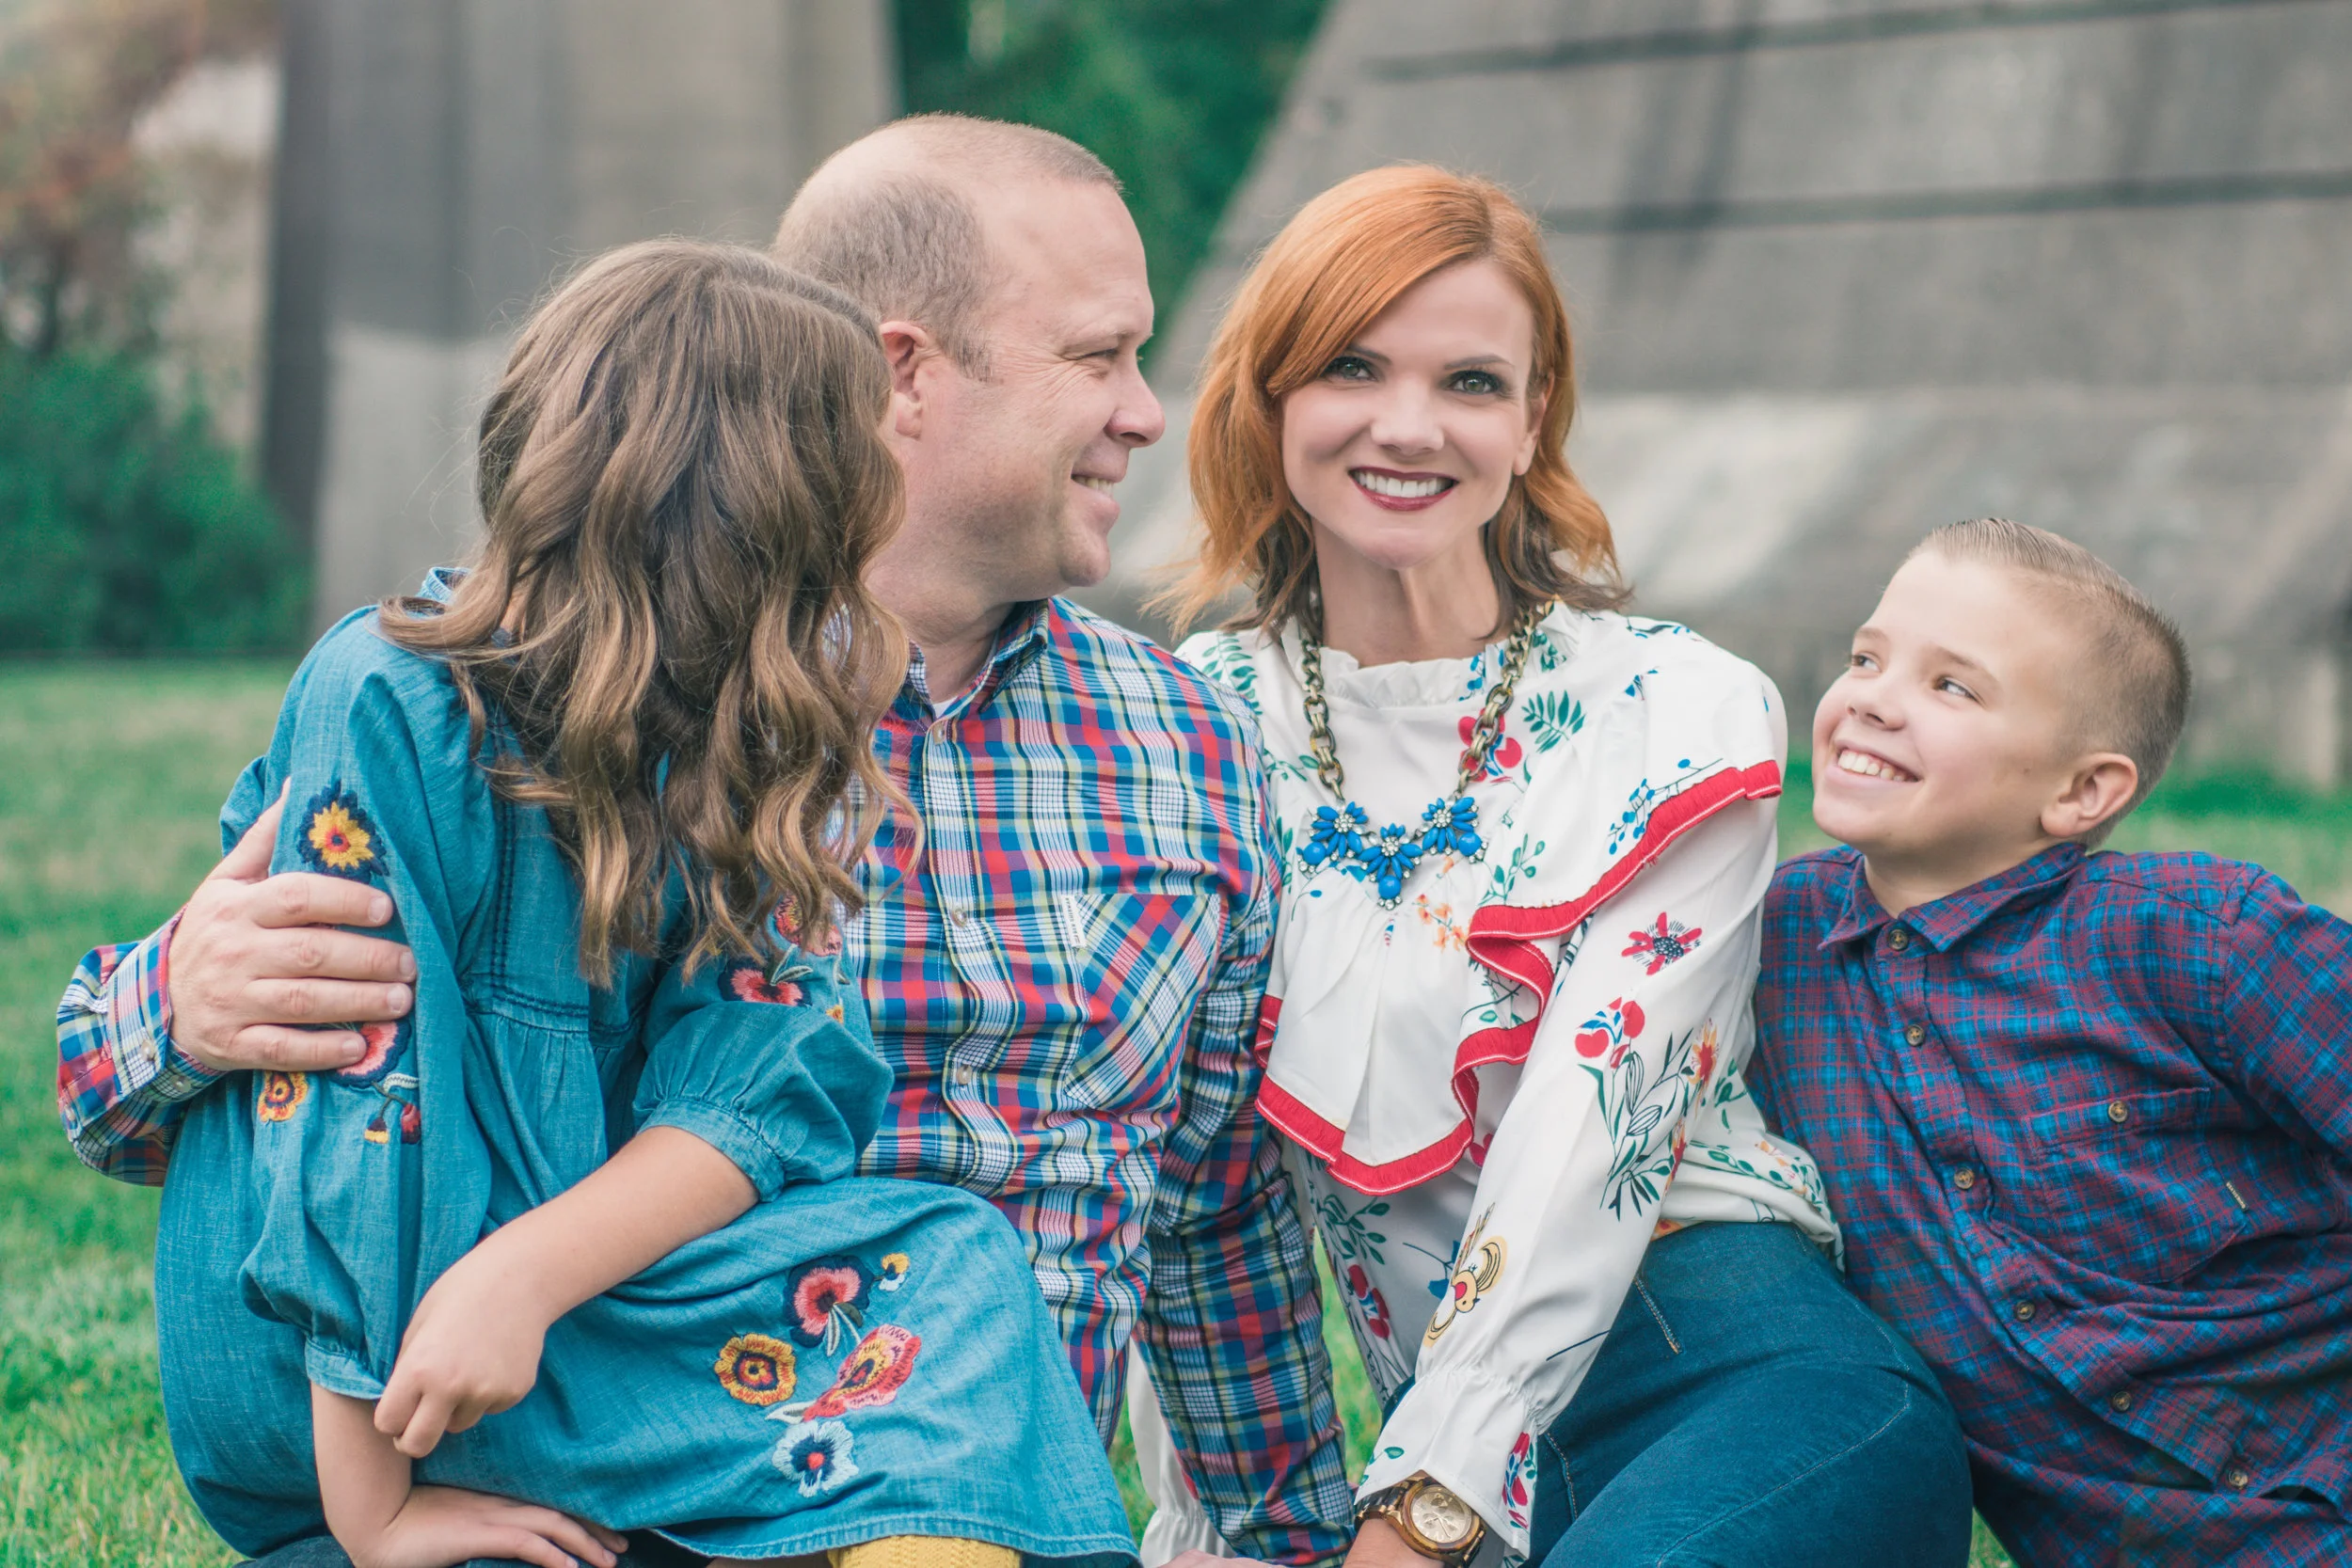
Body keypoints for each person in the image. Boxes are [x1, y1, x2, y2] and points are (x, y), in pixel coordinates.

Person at [56, 118, 1352, 1562]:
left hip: (856, 1430)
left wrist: (1289, 1535)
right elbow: (322, 1116)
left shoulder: (1178, 747)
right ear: (895, 382)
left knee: (966, 1268)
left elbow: (1205, 1212)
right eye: (1099, 356)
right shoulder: (442, 710)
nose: (1146, 411)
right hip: (476, 1377)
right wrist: (173, 1002)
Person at [1144, 165, 1973, 1566]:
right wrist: (1210, 1530)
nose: (1409, 424)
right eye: (1351, 364)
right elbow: (1177, 1162)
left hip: (1736, 1372)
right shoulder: (1188, 721)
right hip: (1449, 1455)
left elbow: (1593, 1127)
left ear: (1532, 422)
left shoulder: (1674, 705)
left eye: (1471, 381)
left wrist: (1420, 1511)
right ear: (1273, 395)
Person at [1748, 518, 2352, 1565]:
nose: (1873, 697)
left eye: (1953, 687)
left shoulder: (2202, 942)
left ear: (2081, 792)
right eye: (1865, 657)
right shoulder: (1763, 951)